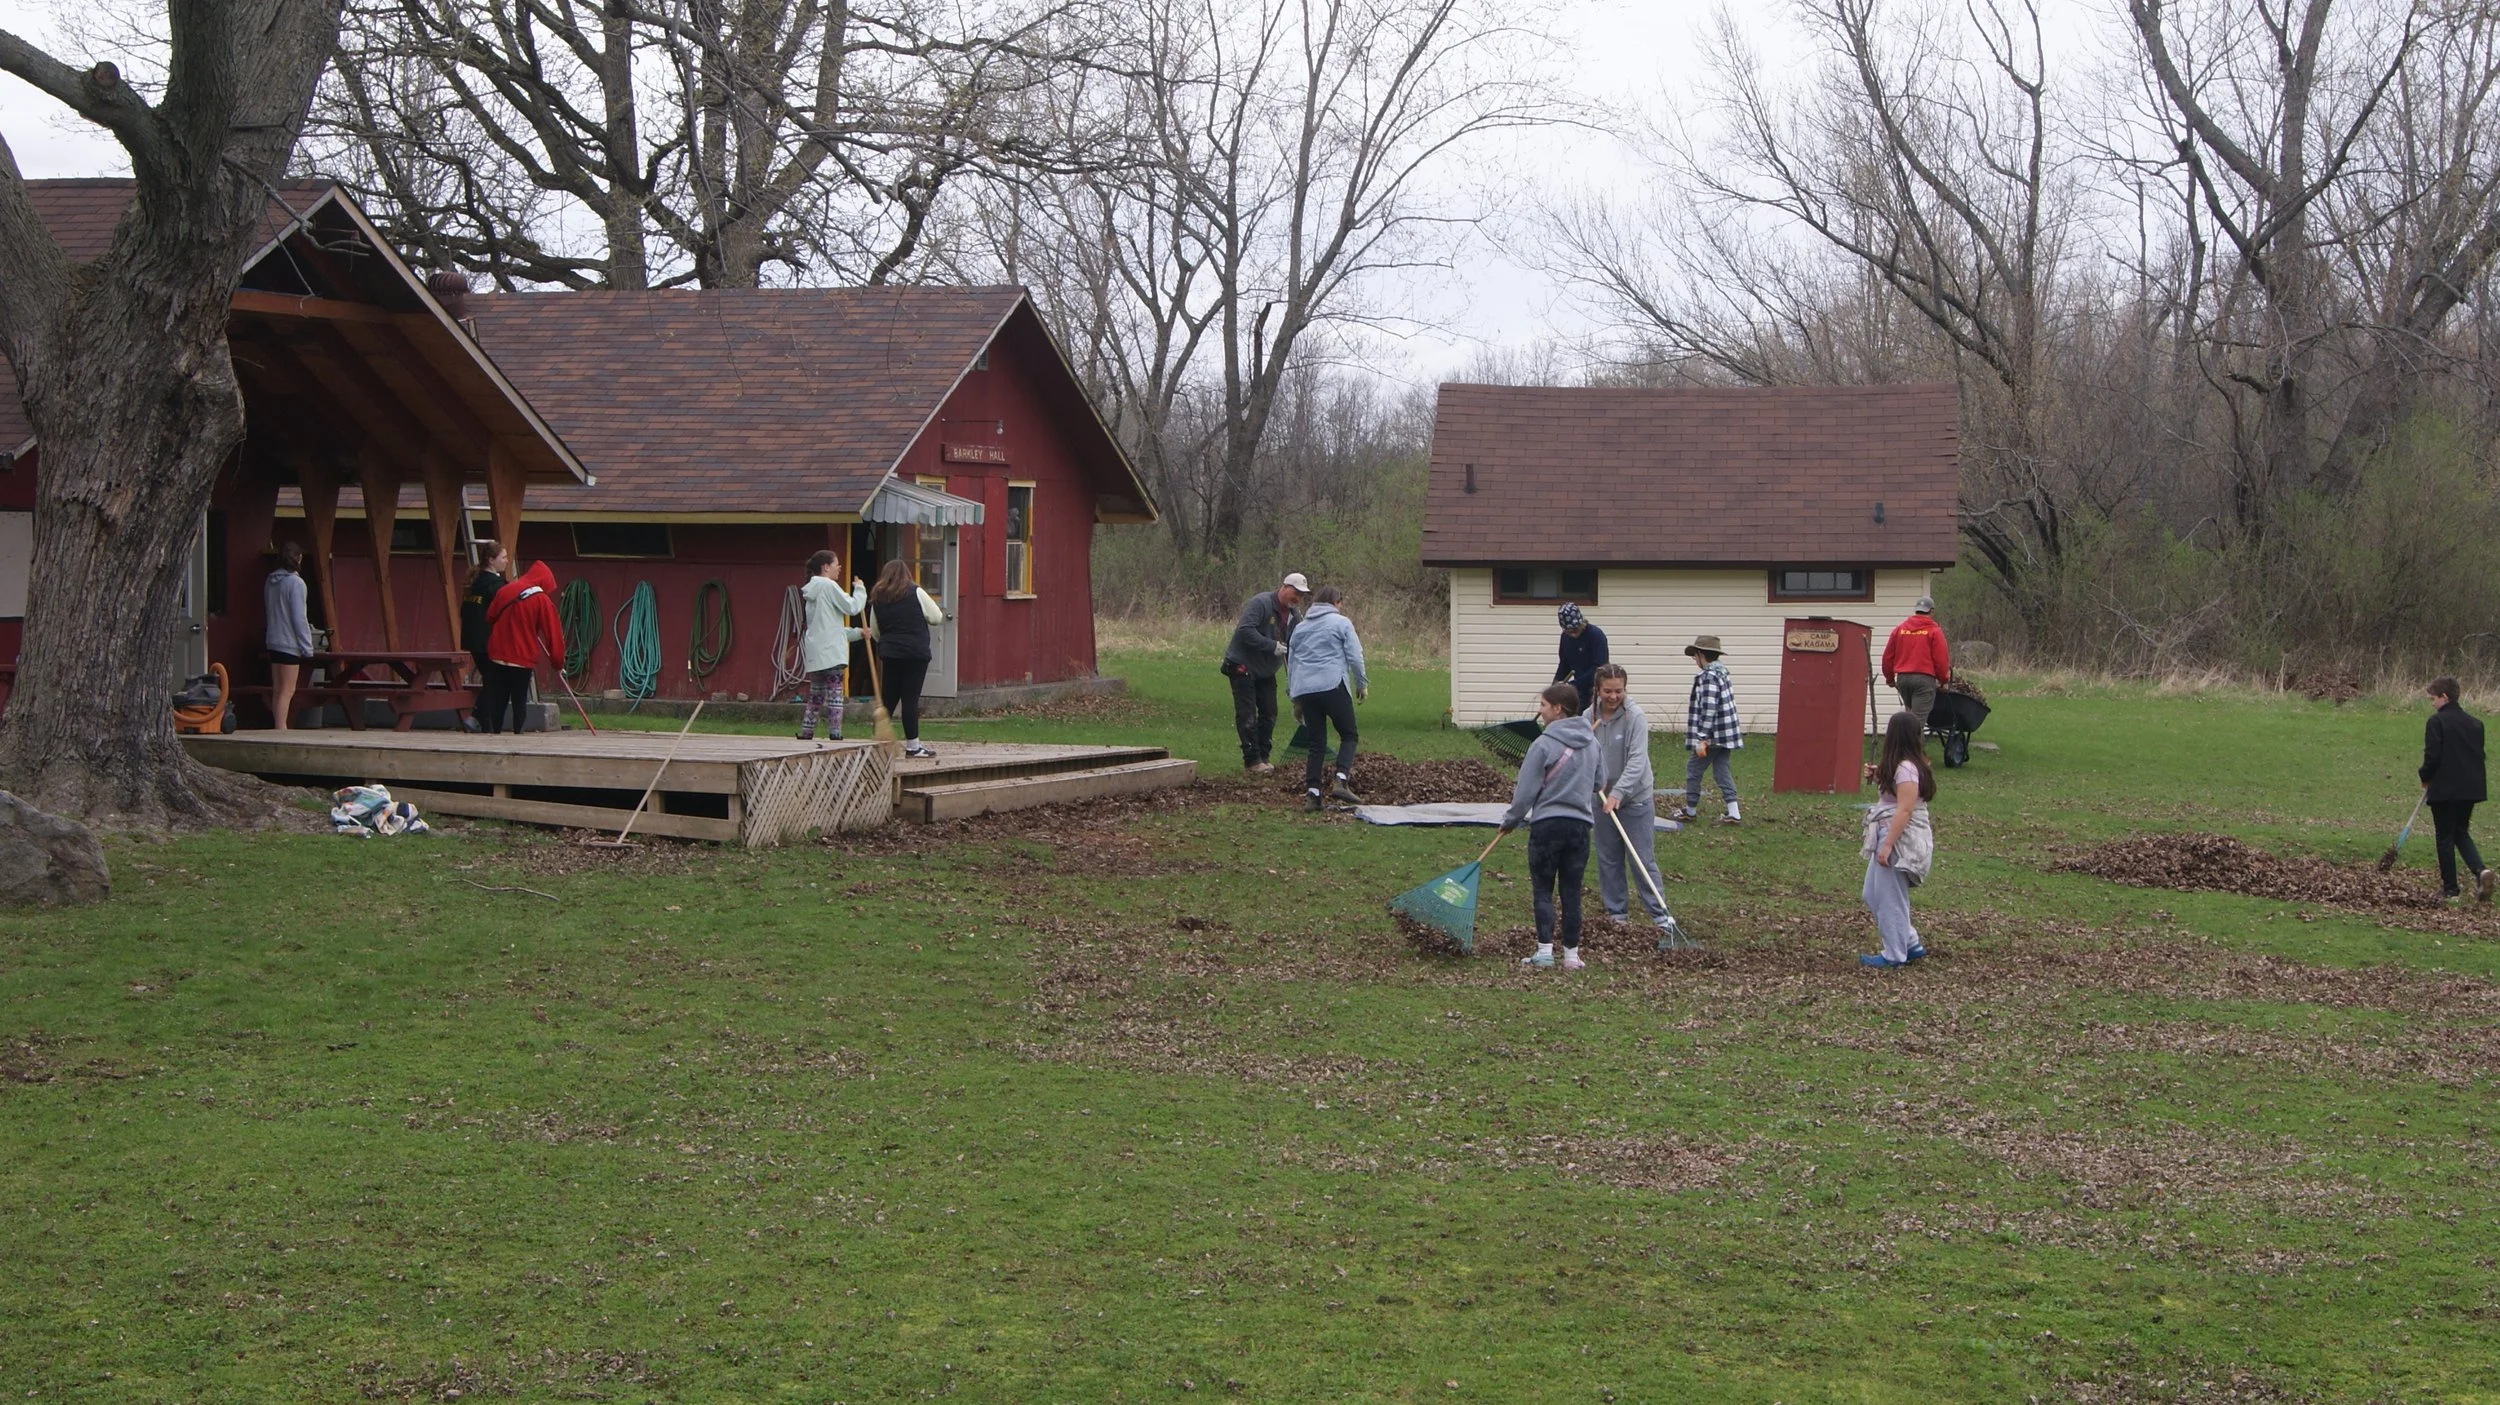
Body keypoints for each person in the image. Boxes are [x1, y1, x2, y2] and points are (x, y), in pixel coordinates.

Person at [1500, 682, 1601, 970]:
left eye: (1543, 705)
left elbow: (1524, 794)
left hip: (1547, 827)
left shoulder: (1542, 744)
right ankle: (1571, 955)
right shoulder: (1592, 743)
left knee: (1543, 889)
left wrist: (1510, 821)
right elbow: (1598, 783)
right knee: (1572, 891)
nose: (1540, 711)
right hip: (1580, 829)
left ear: (1558, 709)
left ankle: (1544, 951)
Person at [1585, 663, 1676, 933]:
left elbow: (1637, 761)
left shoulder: (1635, 716)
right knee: (1608, 857)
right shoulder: (1588, 716)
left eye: (1619, 691)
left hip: (1634, 799)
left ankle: (1661, 916)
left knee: (1641, 859)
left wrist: (1619, 793)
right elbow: (1582, 755)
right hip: (1601, 799)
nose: (1613, 697)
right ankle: (1617, 914)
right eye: (1607, 691)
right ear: (1598, 690)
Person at [1859, 711, 1937, 968]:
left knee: (1891, 897)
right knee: (1872, 893)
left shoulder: (1906, 769)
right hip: (1887, 833)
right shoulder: (1903, 765)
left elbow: (1904, 809)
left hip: (1896, 838)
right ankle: (1910, 943)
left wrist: (1888, 845)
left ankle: (1895, 954)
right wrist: (1879, 774)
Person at [1286, 584, 1367, 812]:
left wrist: (1295, 698)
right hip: (1332, 685)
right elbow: (1355, 656)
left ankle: (1313, 795)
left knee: (1316, 743)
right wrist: (1362, 684)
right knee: (1349, 734)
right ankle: (1341, 780)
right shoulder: (1341, 623)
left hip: (1306, 690)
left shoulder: (1300, 628)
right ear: (1336, 603)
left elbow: (1292, 663)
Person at [1222, 571, 1307, 772]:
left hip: (1266, 670)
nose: (1297, 598)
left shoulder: (1295, 616)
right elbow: (1244, 630)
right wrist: (1271, 646)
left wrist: (1297, 686)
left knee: (1269, 713)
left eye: (1301, 595)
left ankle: (1264, 757)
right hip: (1242, 665)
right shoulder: (1260, 603)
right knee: (1247, 714)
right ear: (1284, 587)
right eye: (1295, 592)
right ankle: (1252, 760)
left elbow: (1295, 646)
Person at [2420, 676, 2494, 904]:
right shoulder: (2476, 724)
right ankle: (2480, 871)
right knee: (2460, 831)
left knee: (2444, 836)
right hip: (2470, 788)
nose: (2432, 704)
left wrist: (2424, 776)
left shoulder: (2437, 722)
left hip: (2445, 788)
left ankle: (2450, 889)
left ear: (2445, 697)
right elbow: (2478, 755)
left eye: (2433, 699)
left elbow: (2432, 756)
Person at [868, 559, 945, 759]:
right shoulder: (915, 592)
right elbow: (936, 617)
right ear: (907, 574)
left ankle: (878, 743)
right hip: (915, 654)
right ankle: (913, 746)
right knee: (910, 700)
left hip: (890, 653)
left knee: (888, 699)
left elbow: (875, 631)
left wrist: (889, 641)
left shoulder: (878, 597)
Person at [483, 559, 564, 734]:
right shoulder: (542, 600)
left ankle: (494, 731)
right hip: (521, 657)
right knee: (519, 699)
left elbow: (490, 616)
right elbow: (553, 634)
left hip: (497, 652)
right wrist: (557, 662)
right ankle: (518, 732)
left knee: (498, 697)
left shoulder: (505, 590)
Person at [798, 550, 866, 742]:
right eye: (837, 564)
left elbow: (830, 627)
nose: (840, 568)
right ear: (826, 567)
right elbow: (852, 607)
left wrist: (858, 632)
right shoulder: (829, 586)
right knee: (835, 694)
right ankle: (835, 733)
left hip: (816, 651)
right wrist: (859, 589)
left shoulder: (811, 589)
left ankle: (807, 731)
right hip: (832, 653)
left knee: (816, 694)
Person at [1675, 634, 1743, 824]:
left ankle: (1690, 810)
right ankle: (1733, 812)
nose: (1694, 660)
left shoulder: (1708, 677)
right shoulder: (1722, 673)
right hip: (1727, 734)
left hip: (1712, 736)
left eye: (1694, 656)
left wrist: (1701, 737)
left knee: (1693, 769)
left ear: (1700, 654)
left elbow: (1709, 707)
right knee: (1721, 770)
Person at [263, 541, 317, 730]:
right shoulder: (296, 583)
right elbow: (299, 618)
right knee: (288, 690)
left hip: (273, 640)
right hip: (289, 644)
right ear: (299, 558)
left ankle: (278, 726)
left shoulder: (270, 581)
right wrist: (307, 646)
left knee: (278, 690)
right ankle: (281, 728)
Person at [458, 539, 511, 732]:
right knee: (496, 680)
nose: (506, 561)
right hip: (488, 640)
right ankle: (476, 717)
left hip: (472, 639)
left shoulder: (474, 582)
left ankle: (483, 724)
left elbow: (463, 611)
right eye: (503, 557)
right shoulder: (495, 585)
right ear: (491, 560)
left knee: (491, 679)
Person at [1882, 596, 1951, 731]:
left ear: (1916, 611)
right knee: (1916, 725)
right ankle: (1913, 752)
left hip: (1903, 679)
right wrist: (1943, 680)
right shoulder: (1934, 631)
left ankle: (1904, 751)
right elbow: (1941, 659)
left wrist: (1889, 678)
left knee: (1909, 720)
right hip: (1923, 681)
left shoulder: (1900, 630)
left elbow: (1887, 657)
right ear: (1931, 611)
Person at [1553, 603, 1609, 711]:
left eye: (1575, 629)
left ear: (1581, 622)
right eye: (1569, 631)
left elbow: (1599, 669)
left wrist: (1572, 685)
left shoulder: (1596, 636)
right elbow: (1564, 665)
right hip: (1578, 691)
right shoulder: (1565, 638)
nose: (1573, 634)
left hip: (1596, 690)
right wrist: (1555, 687)